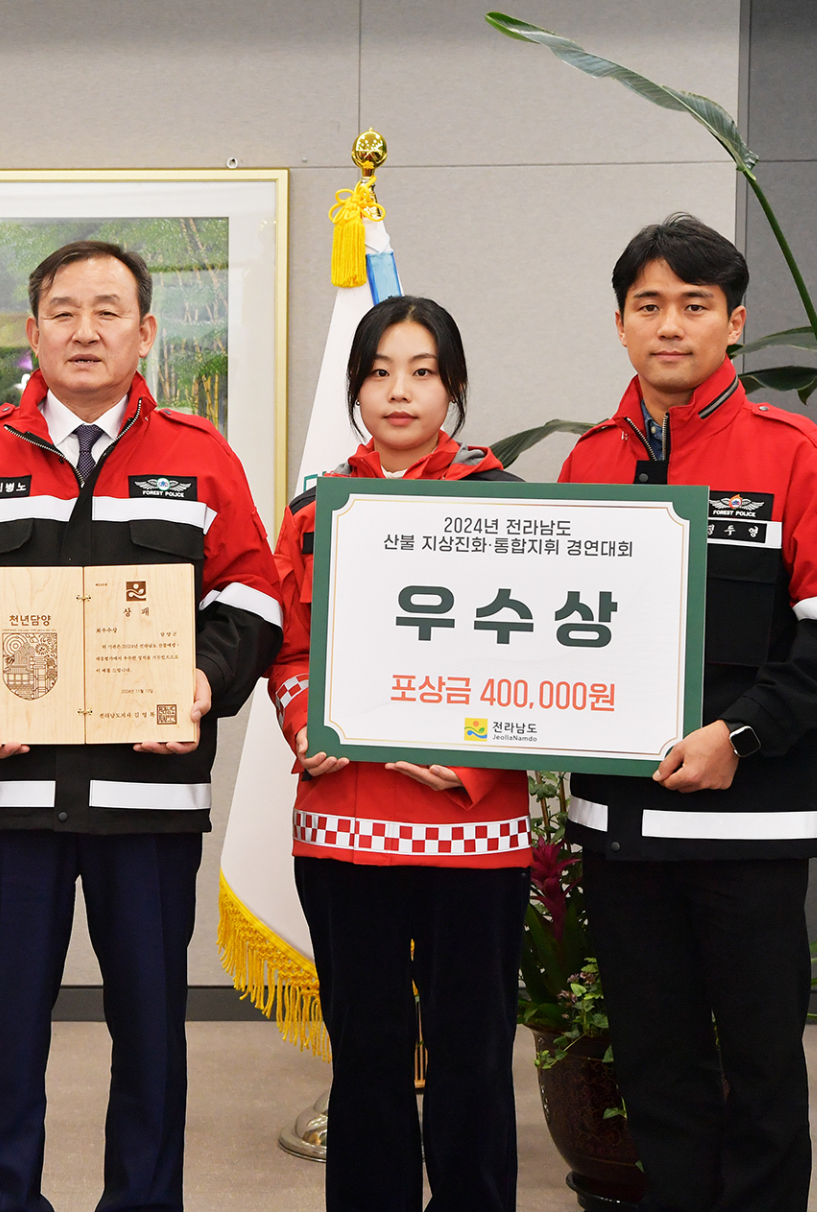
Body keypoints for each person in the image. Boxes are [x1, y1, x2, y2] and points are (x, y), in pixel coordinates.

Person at [0, 240, 284, 1212]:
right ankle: (7, 1201)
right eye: (65, 311)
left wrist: (200, 678)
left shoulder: (200, 457)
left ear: (146, 333)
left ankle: (143, 1204)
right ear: (33, 333)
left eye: (110, 310)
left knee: (152, 1031)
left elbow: (259, 600)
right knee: (5, 1031)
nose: (86, 329)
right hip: (13, 799)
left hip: (149, 803)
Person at [558, 215, 817, 1212]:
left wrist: (738, 736)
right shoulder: (587, 465)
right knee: (656, 1072)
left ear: (735, 324)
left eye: (694, 307)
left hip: (748, 829)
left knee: (760, 1075)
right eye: (649, 306)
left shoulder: (804, 457)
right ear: (622, 326)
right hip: (619, 832)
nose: (671, 326)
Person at [269, 296, 531, 1212]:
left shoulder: (513, 509)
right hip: (346, 829)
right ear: (355, 390)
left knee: (472, 1056)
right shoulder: (313, 513)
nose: (399, 391)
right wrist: (310, 726)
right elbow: (291, 652)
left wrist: (474, 764)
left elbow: (535, 663)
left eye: (422, 371)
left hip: (474, 831)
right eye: (379, 371)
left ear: (452, 387)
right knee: (369, 1059)